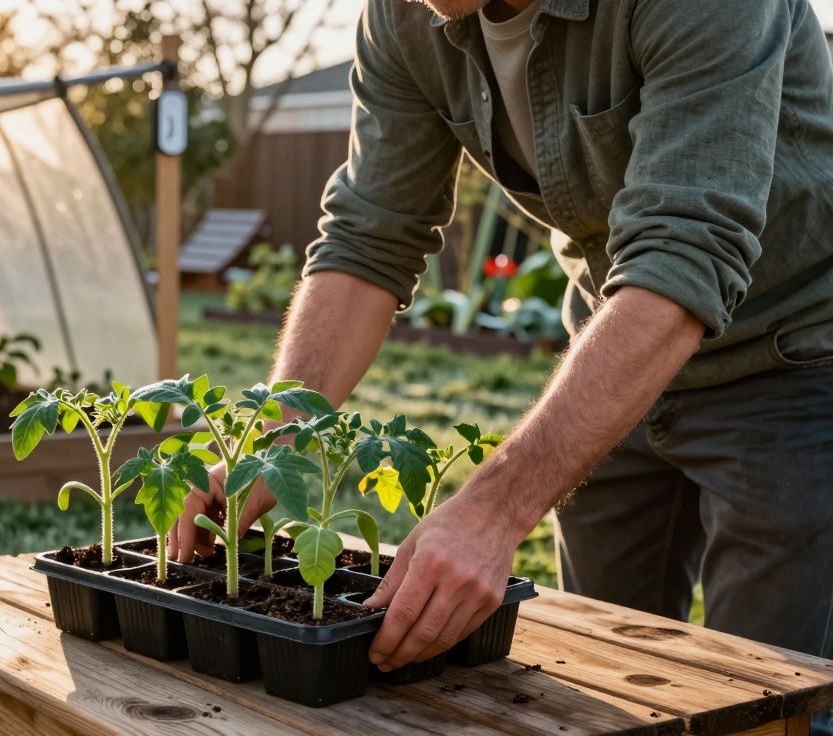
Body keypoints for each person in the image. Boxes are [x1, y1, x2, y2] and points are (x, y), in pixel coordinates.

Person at [171, 0, 833, 730]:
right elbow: (368, 239)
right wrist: (278, 437)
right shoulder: (402, 17)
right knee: (606, 684)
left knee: (766, 697)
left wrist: (494, 508)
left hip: (794, 356)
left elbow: (685, 252)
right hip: (612, 362)